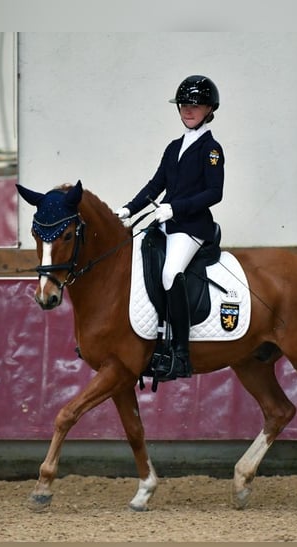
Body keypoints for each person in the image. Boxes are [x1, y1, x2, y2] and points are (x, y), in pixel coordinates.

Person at [115, 74, 225, 381]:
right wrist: (127, 209)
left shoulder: (211, 149)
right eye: (183, 105)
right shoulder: (174, 146)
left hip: (191, 228)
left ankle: (180, 352)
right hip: (167, 224)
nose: (187, 111)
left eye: (195, 105)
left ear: (209, 109)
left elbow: (214, 193)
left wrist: (175, 207)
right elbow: (156, 184)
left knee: (169, 273)